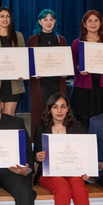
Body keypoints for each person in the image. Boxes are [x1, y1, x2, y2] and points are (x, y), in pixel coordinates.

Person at [33, 92, 91, 205]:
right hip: (50, 173)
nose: (59, 110)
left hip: (73, 171)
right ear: (49, 109)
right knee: (63, 189)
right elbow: (34, 153)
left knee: (80, 189)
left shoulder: (78, 127)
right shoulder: (41, 127)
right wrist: (37, 156)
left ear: (68, 109)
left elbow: (85, 154)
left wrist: (86, 170)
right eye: (55, 106)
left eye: (63, 106)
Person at [71, 10, 103, 132]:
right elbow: (71, 64)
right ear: (84, 24)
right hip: (83, 87)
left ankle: (99, 146)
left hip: (102, 86)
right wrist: (78, 68)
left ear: (100, 23)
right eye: (90, 21)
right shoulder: (77, 43)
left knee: (100, 118)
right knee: (83, 118)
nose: (93, 23)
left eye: (96, 20)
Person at [27, 9, 68, 140]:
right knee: (41, 114)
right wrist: (33, 72)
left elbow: (66, 61)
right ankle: (39, 144)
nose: (48, 22)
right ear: (40, 22)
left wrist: (65, 71)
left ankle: (59, 140)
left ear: (55, 21)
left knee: (58, 111)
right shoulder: (32, 40)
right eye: (45, 19)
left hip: (57, 83)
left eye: (51, 19)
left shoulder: (61, 40)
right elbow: (28, 63)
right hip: (40, 85)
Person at [0, 6, 25, 116]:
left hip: (14, 83)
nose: (5, 19)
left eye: (8, 16)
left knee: (9, 115)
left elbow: (23, 58)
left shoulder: (19, 36)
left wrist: (23, 73)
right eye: (2, 16)